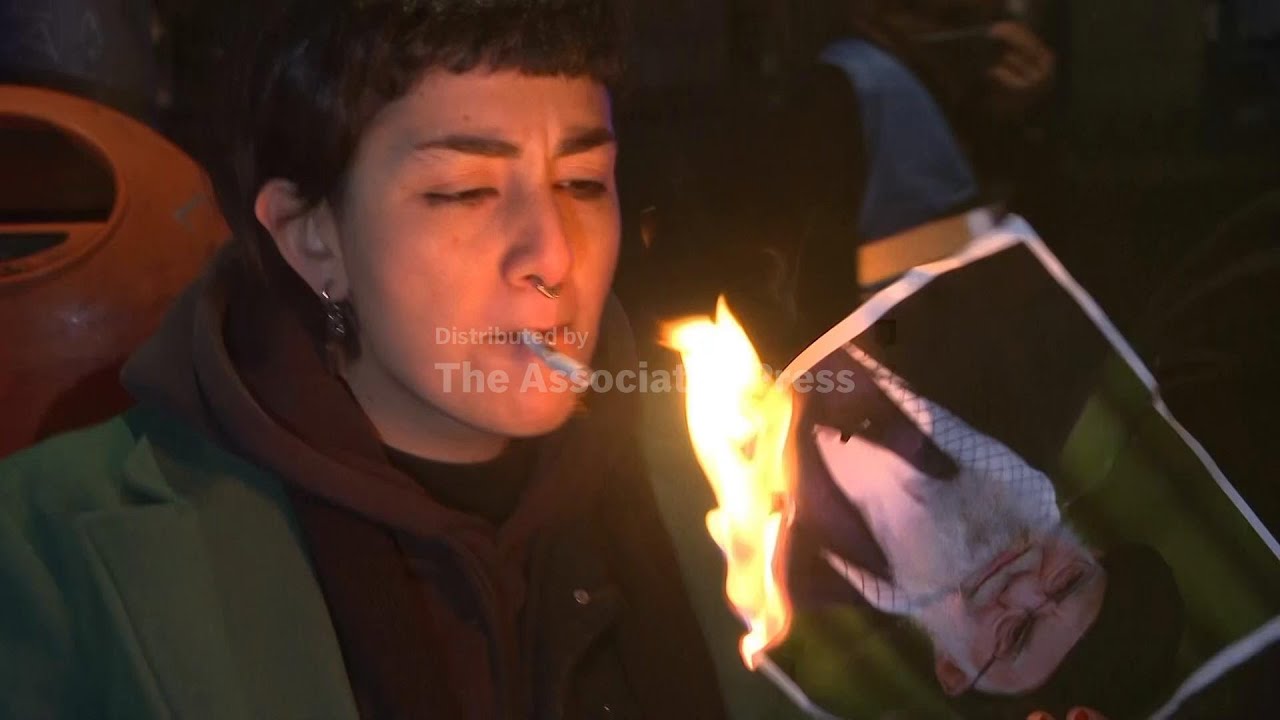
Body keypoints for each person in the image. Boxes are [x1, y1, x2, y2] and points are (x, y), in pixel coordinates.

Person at [0, 1, 728, 718]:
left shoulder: (729, 484)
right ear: (314, 240)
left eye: (583, 182)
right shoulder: (45, 548)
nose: (555, 255)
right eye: (465, 192)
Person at [787, 343, 1185, 718]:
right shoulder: (1045, 351)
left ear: (953, 669)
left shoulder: (781, 578)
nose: (1021, 585)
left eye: (1015, 634)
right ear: (1090, 552)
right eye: (1067, 582)